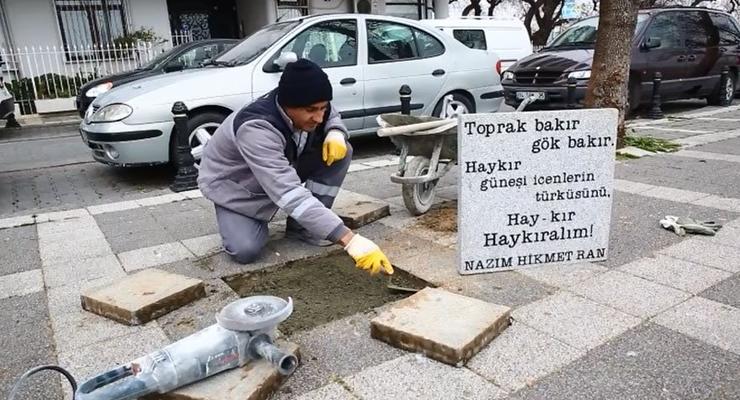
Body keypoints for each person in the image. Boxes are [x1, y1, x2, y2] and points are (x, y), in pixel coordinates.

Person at [197, 59, 393, 276]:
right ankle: (246, 216)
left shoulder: (308, 102)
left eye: (322, 108)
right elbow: (288, 192)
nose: (319, 117)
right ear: (288, 106)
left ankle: (303, 227)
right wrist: (349, 240)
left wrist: (335, 132)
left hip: (281, 167)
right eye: (311, 110)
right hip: (237, 187)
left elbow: (330, 113)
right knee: (245, 250)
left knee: (342, 150)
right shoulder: (257, 128)